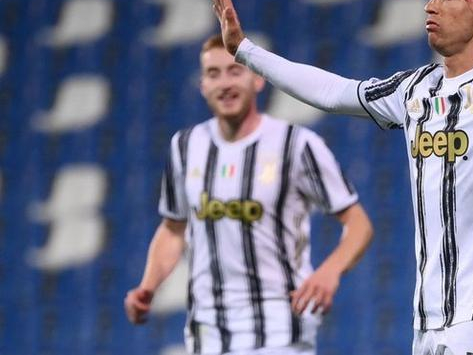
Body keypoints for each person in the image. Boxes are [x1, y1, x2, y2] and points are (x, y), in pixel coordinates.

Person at [209, 0, 473, 355]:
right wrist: (245, 50)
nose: (430, 6)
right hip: (430, 320)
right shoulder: (416, 90)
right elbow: (333, 92)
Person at [124, 35, 373, 355]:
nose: (225, 83)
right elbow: (173, 229)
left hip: (281, 332)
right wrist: (147, 287)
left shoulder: (296, 145)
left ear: (258, 79)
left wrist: (330, 271)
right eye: (213, 74)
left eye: (234, 71)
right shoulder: (184, 147)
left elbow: (358, 224)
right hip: (207, 335)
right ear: (202, 85)